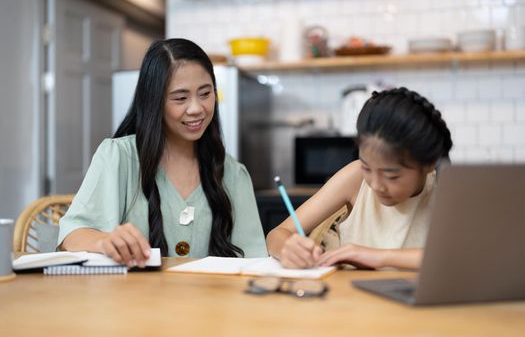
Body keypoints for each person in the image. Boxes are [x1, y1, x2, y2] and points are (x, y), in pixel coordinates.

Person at [58, 38, 267, 266]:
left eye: (205, 94)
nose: (197, 108)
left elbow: (253, 261)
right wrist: (105, 241)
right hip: (130, 301)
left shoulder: (233, 174)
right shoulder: (119, 157)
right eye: (180, 98)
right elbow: (71, 235)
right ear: (154, 101)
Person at [267, 87, 453, 270]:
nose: (376, 185)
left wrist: (376, 257)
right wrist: (288, 248)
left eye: (391, 176)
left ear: (428, 164)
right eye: (367, 168)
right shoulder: (355, 178)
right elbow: (277, 234)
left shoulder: (446, 187)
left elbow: (461, 257)